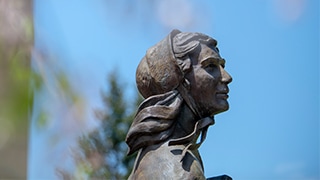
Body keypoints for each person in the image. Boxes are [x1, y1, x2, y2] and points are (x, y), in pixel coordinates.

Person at [126, 29, 232, 180]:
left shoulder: (162, 156)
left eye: (222, 66)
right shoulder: (177, 168)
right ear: (181, 80)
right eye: (210, 66)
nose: (227, 77)